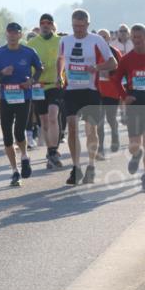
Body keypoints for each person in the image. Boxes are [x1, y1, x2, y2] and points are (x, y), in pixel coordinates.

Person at [57, 9, 118, 186]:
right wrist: (59, 74)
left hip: (91, 90)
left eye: (81, 26)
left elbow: (112, 62)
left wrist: (96, 68)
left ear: (88, 25)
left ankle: (90, 165)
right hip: (71, 90)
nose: (78, 30)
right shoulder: (65, 40)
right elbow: (60, 59)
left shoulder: (96, 40)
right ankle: (76, 168)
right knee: (72, 127)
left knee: (90, 130)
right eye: (75, 26)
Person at [0, 22, 42, 186]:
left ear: (20, 35)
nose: (12, 35)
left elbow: (39, 69)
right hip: (6, 98)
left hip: (24, 97)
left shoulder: (28, 52)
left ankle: (25, 156)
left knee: (19, 131)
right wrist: (2, 73)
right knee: (7, 136)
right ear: (6, 34)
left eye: (16, 33)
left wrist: (32, 81)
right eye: (10, 33)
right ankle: (14, 171)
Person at [26, 14, 66, 170]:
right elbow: (27, 66)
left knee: (53, 116)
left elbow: (66, 60)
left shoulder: (60, 41)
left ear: (52, 25)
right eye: (42, 23)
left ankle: (53, 151)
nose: (45, 25)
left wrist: (62, 76)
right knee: (44, 122)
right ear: (39, 25)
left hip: (55, 84)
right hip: (38, 86)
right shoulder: (32, 43)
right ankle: (51, 153)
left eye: (48, 23)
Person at [114, 24, 145, 190]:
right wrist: (125, 96)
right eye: (134, 37)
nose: (136, 40)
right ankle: (136, 154)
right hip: (135, 101)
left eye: (139, 37)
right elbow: (116, 80)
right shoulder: (127, 59)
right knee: (135, 142)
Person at [95, 29, 124, 157]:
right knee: (99, 121)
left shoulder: (114, 52)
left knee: (111, 118)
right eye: (99, 37)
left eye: (104, 37)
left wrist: (110, 73)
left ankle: (115, 134)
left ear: (108, 39)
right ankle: (100, 148)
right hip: (97, 91)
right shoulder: (92, 51)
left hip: (112, 91)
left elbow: (122, 70)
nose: (102, 39)